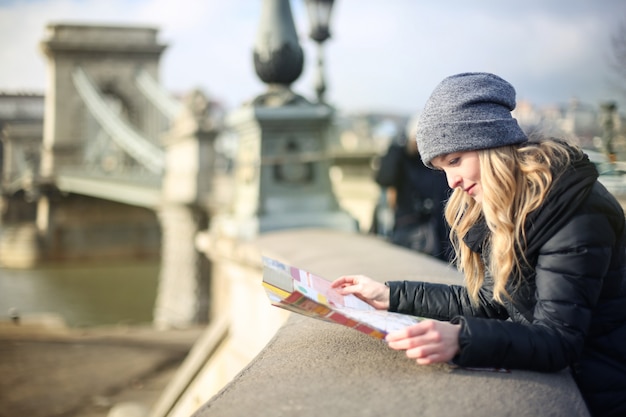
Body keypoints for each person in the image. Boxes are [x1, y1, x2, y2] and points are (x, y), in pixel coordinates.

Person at [332, 72, 626, 417]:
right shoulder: (506, 203)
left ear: (491, 143)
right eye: (442, 169)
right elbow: (490, 302)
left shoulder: (572, 209)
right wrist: (389, 295)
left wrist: (461, 339)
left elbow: (559, 340)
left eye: (455, 161)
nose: (452, 181)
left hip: (603, 393)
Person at [373, 124, 451, 261]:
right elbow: (384, 179)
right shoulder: (402, 159)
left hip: (438, 229)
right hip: (408, 227)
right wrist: (395, 149)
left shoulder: (436, 164)